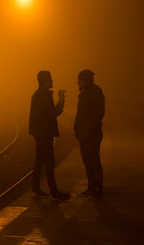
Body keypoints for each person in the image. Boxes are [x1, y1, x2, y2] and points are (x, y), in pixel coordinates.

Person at [29, 70, 71, 200]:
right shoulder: (44, 96)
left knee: (40, 160)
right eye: (50, 79)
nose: (52, 81)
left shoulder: (38, 95)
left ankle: (36, 187)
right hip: (44, 133)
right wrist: (61, 101)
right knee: (49, 162)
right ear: (45, 81)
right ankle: (54, 191)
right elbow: (51, 114)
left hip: (40, 132)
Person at [74, 69, 105, 198]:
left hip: (91, 134)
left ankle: (97, 187)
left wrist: (86, 130)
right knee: (87, 161)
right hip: (84, 134)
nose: (78, 84)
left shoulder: (96, 94)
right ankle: (91, 187)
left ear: (86, 81)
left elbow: (98, 115)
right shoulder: (84, 94)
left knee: (93, 160)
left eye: (80, 81)